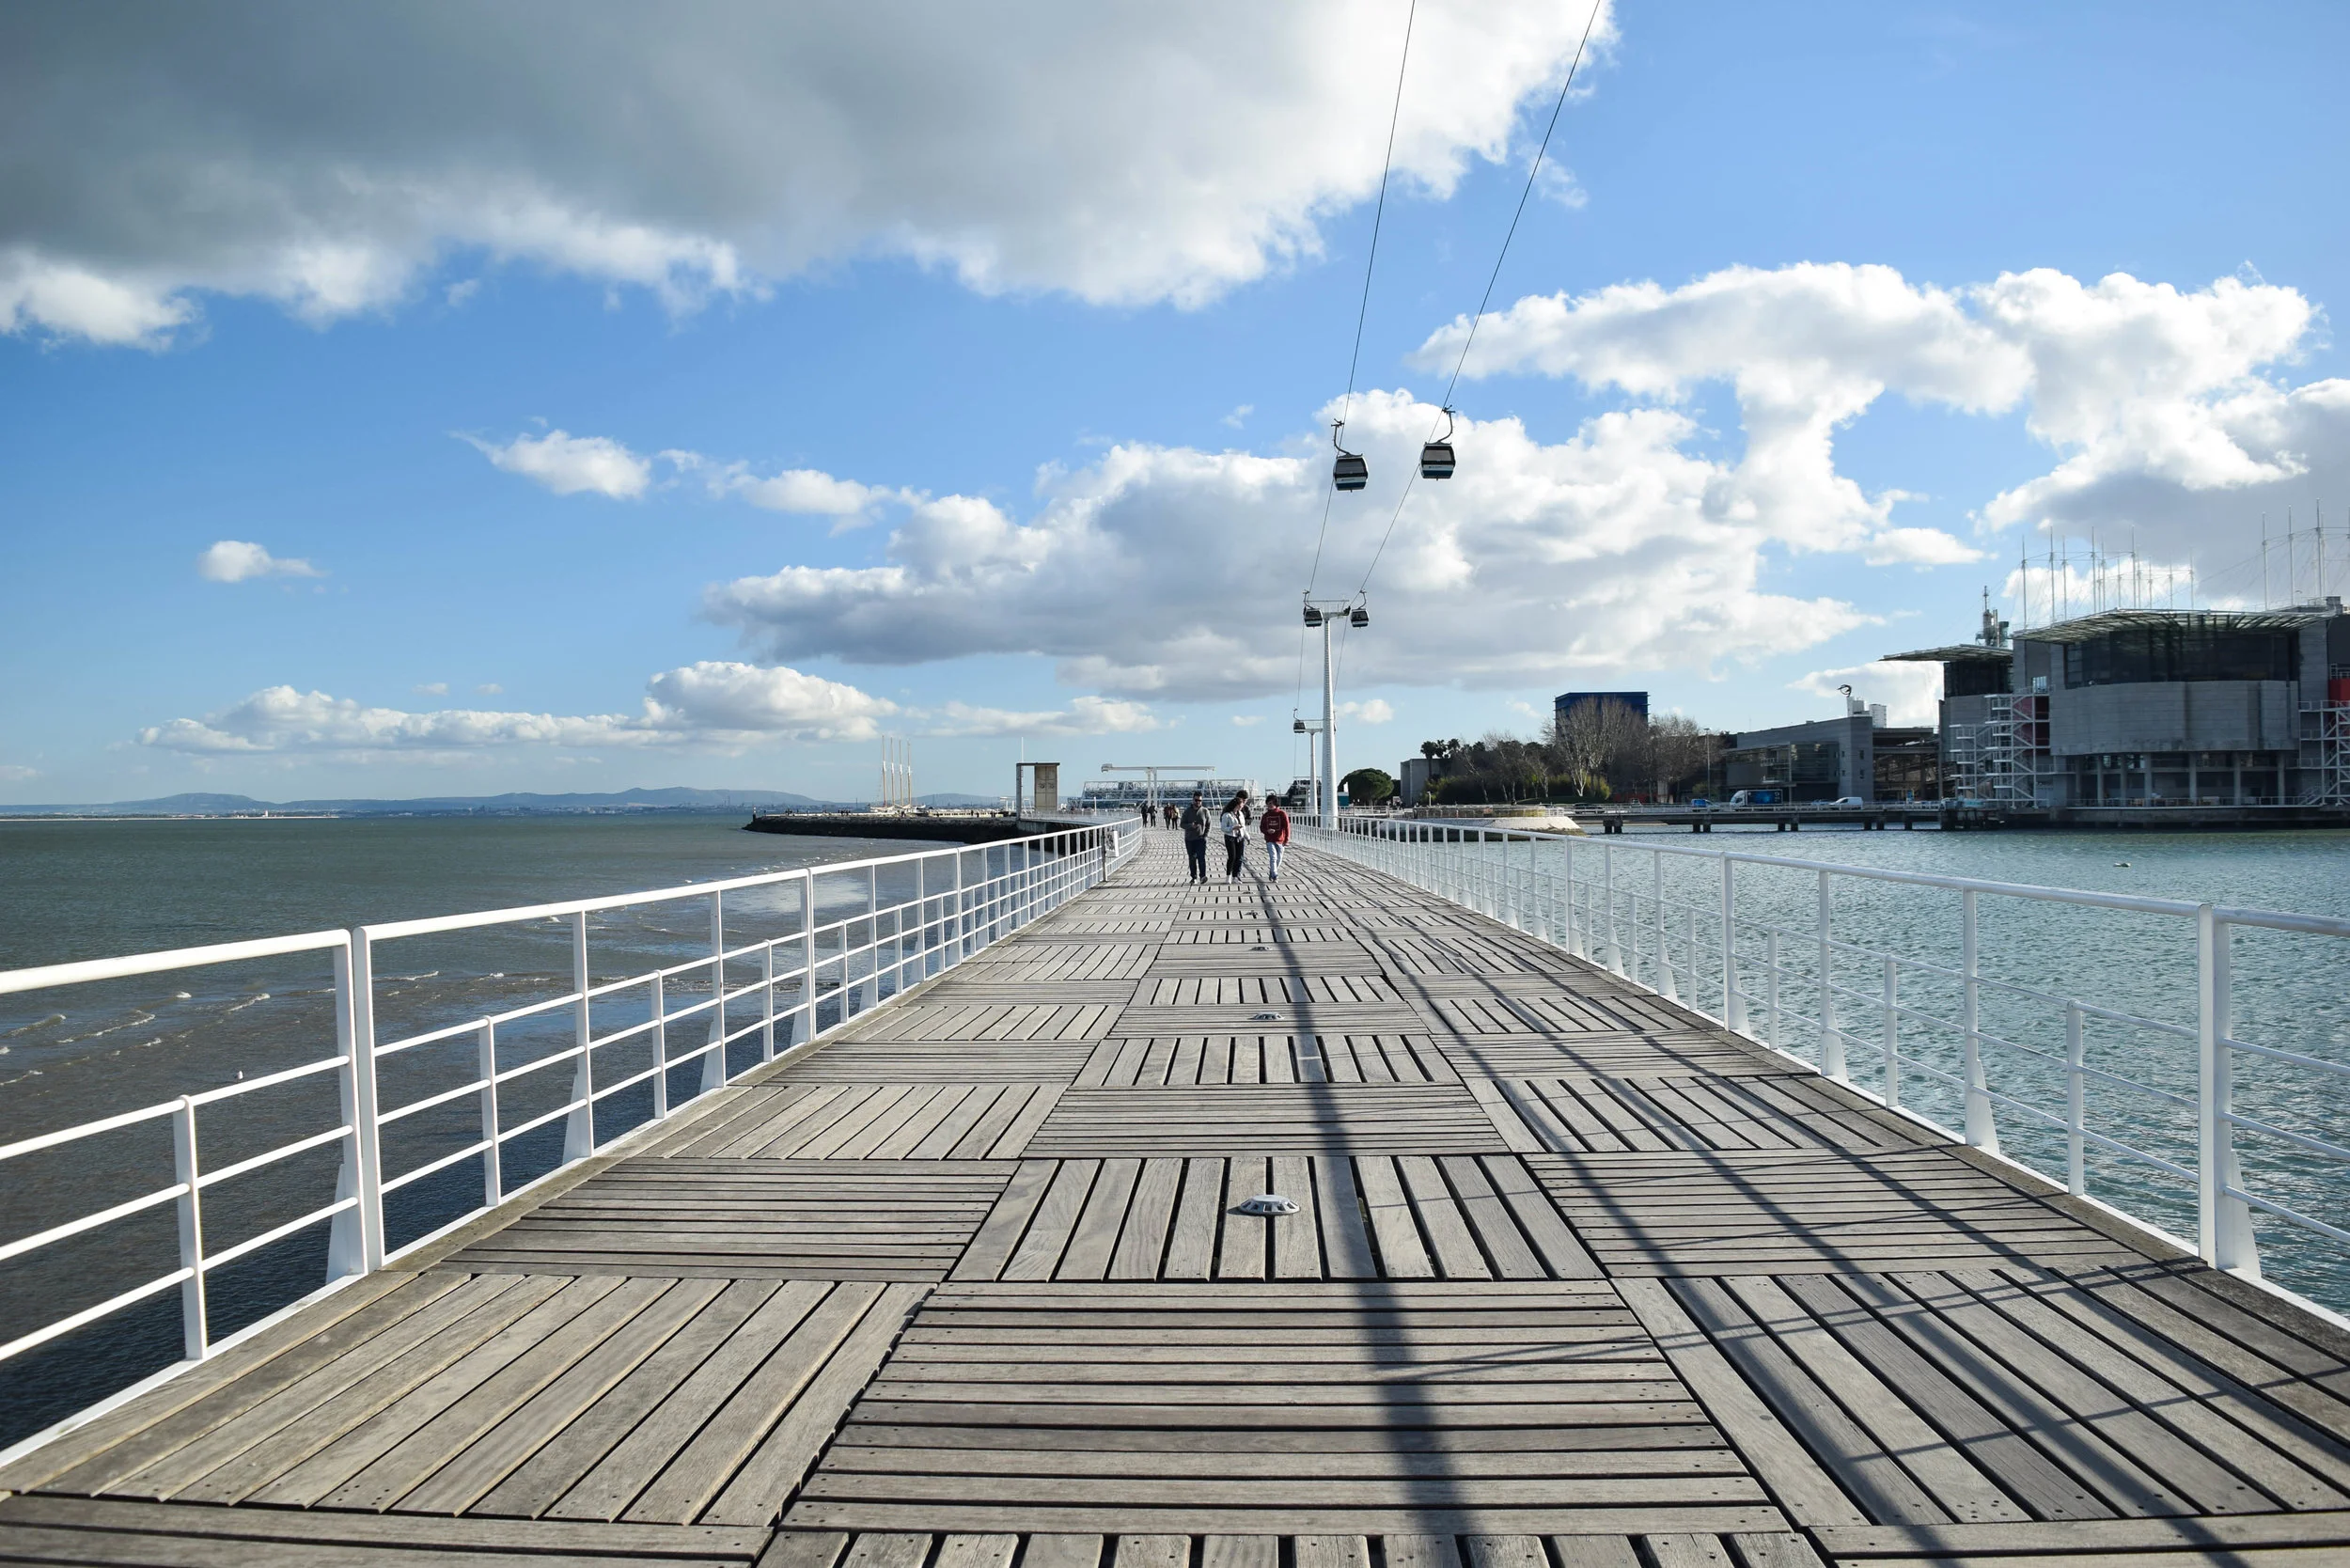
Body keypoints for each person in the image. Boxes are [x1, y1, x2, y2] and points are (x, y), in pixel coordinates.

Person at [1180, 792, 1210, 884]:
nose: (1198, 802)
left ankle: (1203, 876)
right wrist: (1191, 826)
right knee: (1192, 858)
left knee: (1201, 858)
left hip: (1201, 839)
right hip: (1189, 839)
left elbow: (1209, 825)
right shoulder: (1187, 811)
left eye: (1200, 800)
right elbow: (1182, 824)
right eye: (1196, 800)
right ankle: (1194, 877)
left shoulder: (1205, 811)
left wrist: (1205, 835)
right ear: (1193, 800)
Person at [1260, 795, 1291, 881]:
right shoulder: (1265, 815)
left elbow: (1287, 827)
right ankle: (1275, 875)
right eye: (1268, 803)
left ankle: (1273, 871)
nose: (1269, 805)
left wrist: (1287, 839)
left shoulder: (1282, 814)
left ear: (1275, 804)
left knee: (1279, 858)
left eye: (1271, 803)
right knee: (1273, 857)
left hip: (1280, 839)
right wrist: (1267, 831)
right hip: (1269, 839)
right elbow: (1262, 827)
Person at [1220, 792, 1248, 882]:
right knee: (1232, 857)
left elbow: (1243, 826)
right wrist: (1233, 828)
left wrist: (1247, 836)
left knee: (1239, 857)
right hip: (1230, 837)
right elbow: (1223, 828)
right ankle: (1228, 875)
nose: (1242, 806)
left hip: (1239, 837)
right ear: (1236, 805)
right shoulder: (1227, 815)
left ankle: (1235, 876)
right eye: (1240, 805)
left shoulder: (1241, 814)